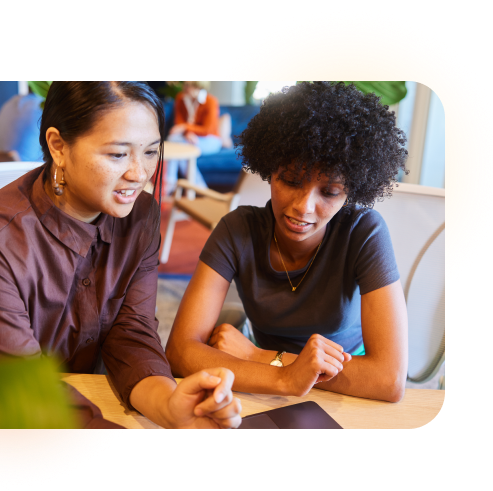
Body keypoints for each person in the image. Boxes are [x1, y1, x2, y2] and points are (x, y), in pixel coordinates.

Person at [0, 81, 242, 429]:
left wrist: (169, 406)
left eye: (151, 151)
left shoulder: (140, 215)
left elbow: (131, 332)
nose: (139, 174)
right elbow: (27, 394)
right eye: (118, 154)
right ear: (58, 146)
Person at [165, 82, 409, 403]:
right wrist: (284, 376)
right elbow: (179, 350)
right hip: (268, 386)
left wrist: (261, 357)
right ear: (270, 169)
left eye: (330, 192)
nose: (303, 207)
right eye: (291, 181)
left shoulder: (363, 232)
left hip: (343, 383)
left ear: (353, 190)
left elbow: (386, 379)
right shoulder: (237, 230)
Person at [164, 81, 223, 195]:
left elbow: (208, 130)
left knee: (178, 145)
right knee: (173, 139)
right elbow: (178, 122)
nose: (184, 87)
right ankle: (198, 189)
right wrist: (187, 132)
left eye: (188, 85)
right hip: (188, 139)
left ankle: (171, 183)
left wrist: (186, 128)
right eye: (184, 84)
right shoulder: (180, 98)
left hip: (211, 140)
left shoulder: (211, 101)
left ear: (198, 86)